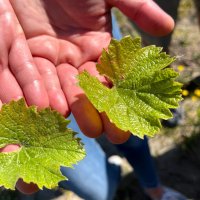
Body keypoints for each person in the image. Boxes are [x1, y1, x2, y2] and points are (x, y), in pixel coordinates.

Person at [0, 0, 186, 199]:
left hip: (80, 28)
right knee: (97, 189)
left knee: (128, 132)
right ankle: (114, 171)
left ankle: (152, 186)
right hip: (22, 70)